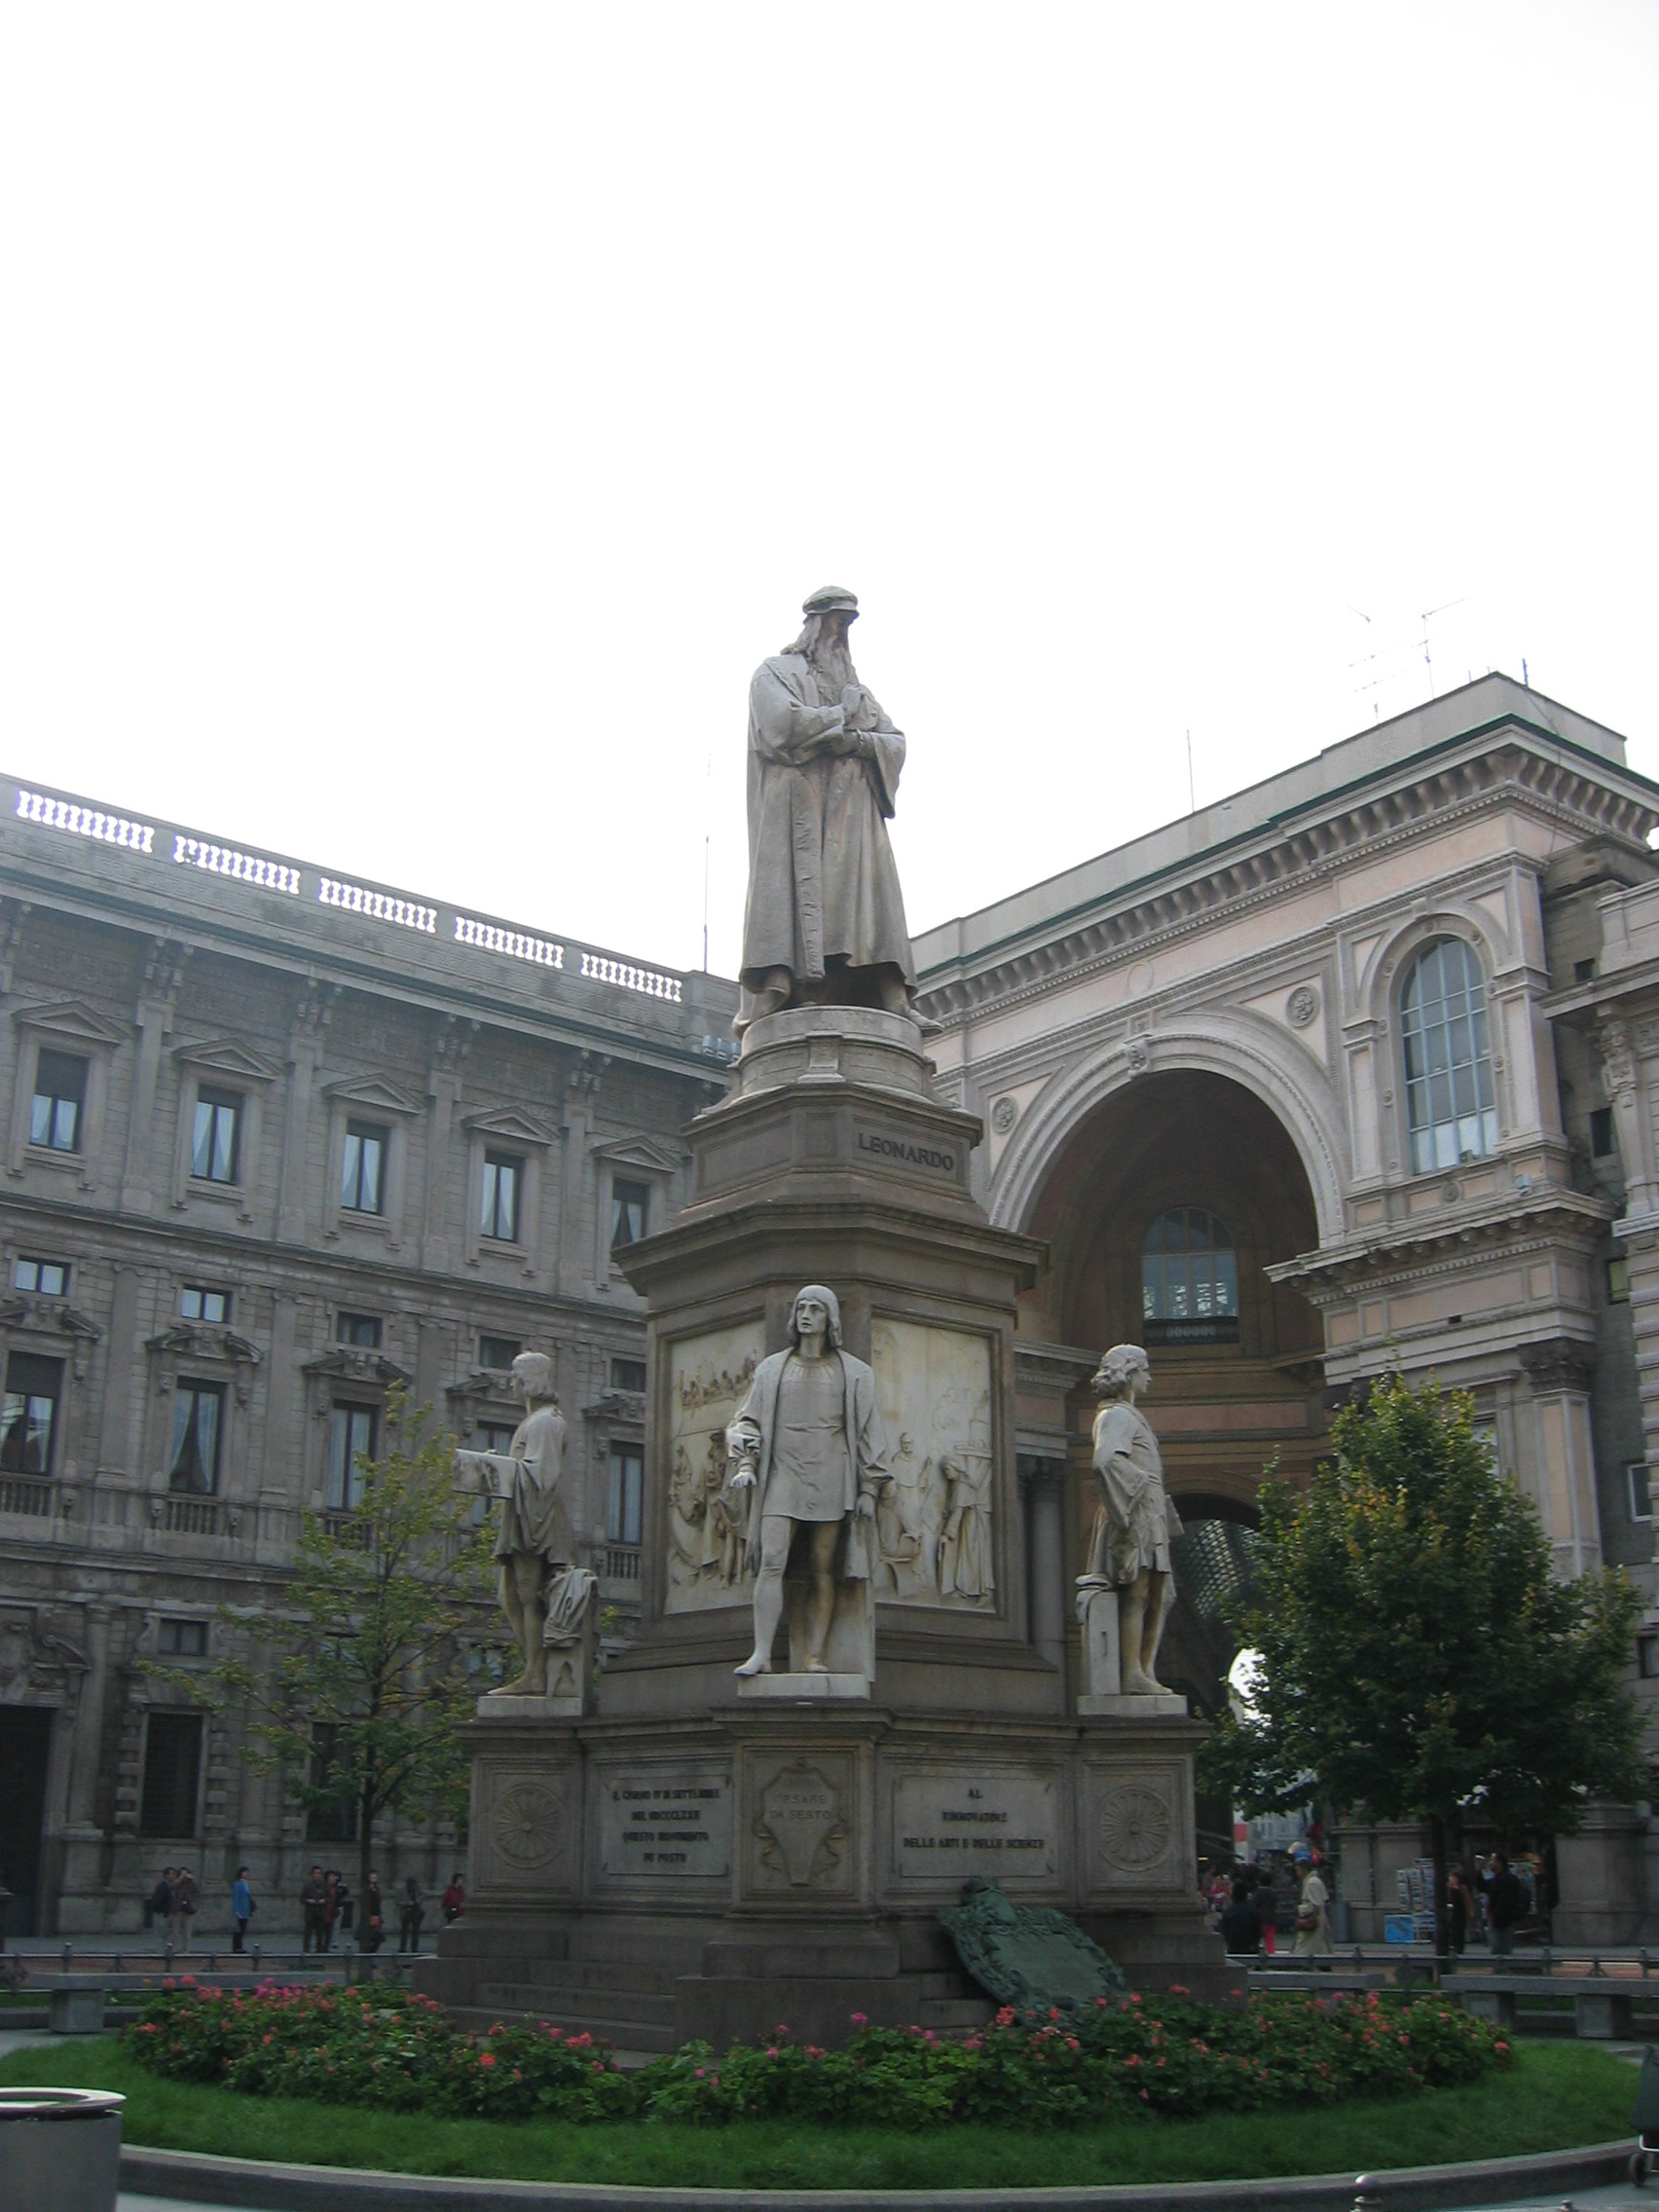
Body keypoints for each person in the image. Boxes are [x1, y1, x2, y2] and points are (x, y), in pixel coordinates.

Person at [735, 586, 917, 1035]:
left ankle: (887, 991)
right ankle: (784, 981)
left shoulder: (859, 693)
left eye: (847, 626)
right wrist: (838, 717)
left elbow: (895, 742)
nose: (840, 634)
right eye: (835, 622)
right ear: (814, 624)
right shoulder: (774, 674)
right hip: (795, 813)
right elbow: (780, 727)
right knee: (796, 900)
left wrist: (856, 742)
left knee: (863, 902)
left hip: (852, 819)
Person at [726, 1284, 893, 1677]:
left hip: (831, 1477)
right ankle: (762, 1652)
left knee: (824, 1568)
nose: (806, 1315)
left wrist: (869, 1488)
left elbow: (870, 1433)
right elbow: (746, 1420)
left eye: (816, 1309)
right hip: (782, 1475)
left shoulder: (854, 1374)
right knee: (771, 1561)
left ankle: (814, 1654)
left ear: (830, 1319)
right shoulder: (771, 1370)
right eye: (801, 1307)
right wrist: (745, 1461)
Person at [454, 1351, 594, 1698]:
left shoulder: (546, 1422)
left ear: (532, 1379)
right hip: (523, 1514)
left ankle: (535, 1675)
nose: (512, 1384)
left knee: (529, 1596)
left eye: (517, 1377)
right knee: (511, 1596)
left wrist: (496, 1470)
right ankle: (534, 1668)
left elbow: (542, 1476)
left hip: (537, 1518)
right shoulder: (534, 1421)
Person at [1077, 1345, 1183, 1695]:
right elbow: (1105, 1460)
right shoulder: (1116, 1415)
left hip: (1148, 1511)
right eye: (1144, 1370)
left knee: (1159, 1594)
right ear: (1128, 1373)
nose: (1149, 1377)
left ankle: (1144, 1670)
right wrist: (1138, 1489)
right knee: (1136, 1590)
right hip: (1135, 1511)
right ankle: (1132, 1673)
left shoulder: (1127, 1415)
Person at [1291, 1846, 1331, 1957]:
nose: (1297, 1873)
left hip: (1312, 1922)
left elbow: (1315, 1905)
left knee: (1304, 1949)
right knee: (1319, 1948)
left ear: (1304, 1869)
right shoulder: (1315, 1881)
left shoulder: (1311, 1883)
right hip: (1318, 1921)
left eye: (1298, 1870)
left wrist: (1301, 1909)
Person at [1485, 1850, 1526, 1957]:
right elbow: (1484, 1887)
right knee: (1498, 1949)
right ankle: (1500, 1970)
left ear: (1499, 1863)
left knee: (1500, 1950)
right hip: (1497, 1918)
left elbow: (1505, 1900)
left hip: (1501, 1920)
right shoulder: (1497, 1879)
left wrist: (1496, 1915)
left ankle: (1501, 1971)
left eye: (1492, 1860)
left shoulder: (1506, 1879)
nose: (1490, 1863)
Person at [1219, 1880, 1265, 1957]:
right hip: (1251, 1948)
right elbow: (1258, 1930)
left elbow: (1223, 1929)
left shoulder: (1229, 1911)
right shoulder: (1253, 1910)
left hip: (1233, 1948)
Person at [170, 1864, 200, 1953]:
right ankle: (174, 1948)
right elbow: (172, 1887)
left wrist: (193, 1880)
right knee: (175, 1931)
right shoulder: (176, 1883)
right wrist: (180, 1879)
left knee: (187, 1931)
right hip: (177, 1909)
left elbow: (198, 1891)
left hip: (188, 1909)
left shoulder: (191, 1883)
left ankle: (186, 1949)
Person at [301, 1864, 328, 1953]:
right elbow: (302, 1898)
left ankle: (319, 1952)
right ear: (312, 1874)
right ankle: (306, 1951)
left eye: (319, 1873)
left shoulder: (324, 1886)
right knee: (308, 1934)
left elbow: (329, 1898)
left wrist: (324, 1901)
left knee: (320, 1934)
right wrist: (309, 1901)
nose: (317, 1875)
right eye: (316, 1873)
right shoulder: (308, 1886)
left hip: (321, 1913)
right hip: (310, 1913)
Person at [1446, 1866, 1469, 1955]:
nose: (1452, 1879)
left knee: (1459, 1931)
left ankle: (1459, 1948)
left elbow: (1466, 1900)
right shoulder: (1448, 1888)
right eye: (1451, 1877)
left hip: (1460, 1912)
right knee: (1452, 1931)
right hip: (1451, 1912)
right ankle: (1452, 1947)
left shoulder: (1462, 1888)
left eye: (1454, 1877)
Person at [398, 1874, 424, 1954]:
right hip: (406, 1912)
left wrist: (418, 1900)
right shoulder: (402, 1891)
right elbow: (398, 1901)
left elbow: (423, 1895)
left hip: (415, 1911)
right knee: (404, 1931)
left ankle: (414, 1948)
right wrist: (406, 1903)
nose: (412, 1885)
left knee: (415, 1931)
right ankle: (402, 1947)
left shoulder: (417, 1890)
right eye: (411, 1883)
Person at [230, 1864, 253, 1953]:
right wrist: (236, 1910)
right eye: (245, 1872)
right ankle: (236, 1947)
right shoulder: (238, 1884)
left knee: (242, 1929)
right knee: (238, 1930)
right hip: (240, 1911)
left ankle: (240, 1946)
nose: (246, 1874)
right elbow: (235, 1898)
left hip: (245, 1910)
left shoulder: (245, 1884)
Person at [145, 1867, 174, 1936]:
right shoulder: (163, 1886)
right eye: (172, 1874)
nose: (173, 1876)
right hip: (161, 1914)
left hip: (163, 1913)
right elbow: (158, 1900)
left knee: (164, 1934)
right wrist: (164, 1910)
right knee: (160, 1934)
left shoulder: (167, 1886)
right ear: (167, 1875)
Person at [361, 1872, 385, 1954]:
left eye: (375, 1877)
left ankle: (371, 1955)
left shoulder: (377, 1889)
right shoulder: (366, 1890)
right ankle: (368, 1957)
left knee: (378, 1938)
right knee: (370, 1938)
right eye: (372, 1877)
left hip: (376, 1916)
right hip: (369, 1916)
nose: (374, 1879)